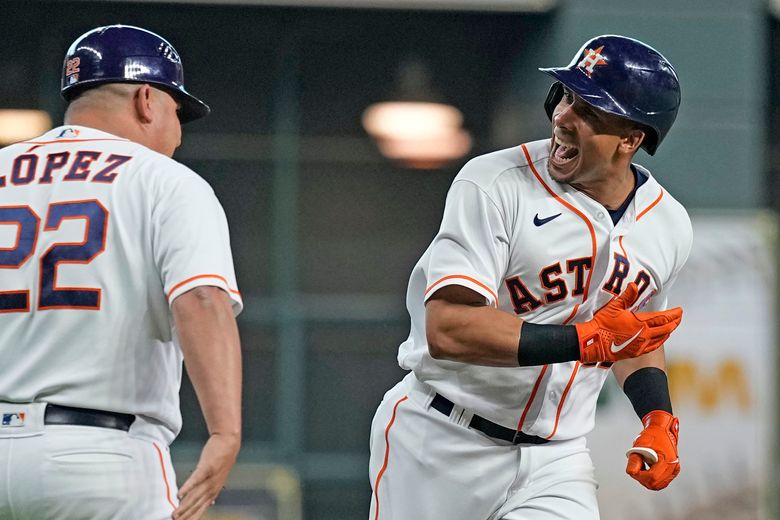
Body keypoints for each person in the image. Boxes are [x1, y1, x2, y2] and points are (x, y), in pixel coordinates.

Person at [369, 34, 691, 519]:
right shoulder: (494, 182)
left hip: (556, 458)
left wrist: (657, 416)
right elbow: (448, 328)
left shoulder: (668, 224)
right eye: (566, 97)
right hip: (440, 438)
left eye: (590, 111)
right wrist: (584, 340)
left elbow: (633, 335)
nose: (563, 116)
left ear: (631, 139)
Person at [0, 25, 242, 520]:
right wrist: (225, 432)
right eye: (178, 113)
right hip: (102, 458)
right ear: (147, 100)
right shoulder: (166, 181)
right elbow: (200, 300)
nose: (177, 132)